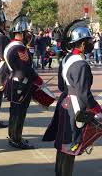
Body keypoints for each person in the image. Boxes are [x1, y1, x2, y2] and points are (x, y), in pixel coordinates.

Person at [43, 19, 102, 176]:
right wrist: (97, 109)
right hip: (75, 107)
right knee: (71, 147)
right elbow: (83, 94)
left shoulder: (67, 58)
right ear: (82, 44)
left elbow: (63, 86)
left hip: (65, 102)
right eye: (88, 41)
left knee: (63, 145)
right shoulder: (81, 64)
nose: (90, 43)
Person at [4, 15, 44, 149]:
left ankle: (13, 136)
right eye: (26, 32)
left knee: (15, 111)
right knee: (19, 113)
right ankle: (16, 139)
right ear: (20, 33)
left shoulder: (12, 45)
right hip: (21, 83)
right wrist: (38, 80)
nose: (28, 35)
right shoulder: (19, 48)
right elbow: (25, 68)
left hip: (15, 81)